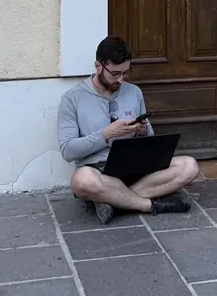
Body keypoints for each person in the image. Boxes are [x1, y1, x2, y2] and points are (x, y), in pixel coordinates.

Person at [57, 36, 199, 224]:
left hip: (136, 168)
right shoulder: (72, 99)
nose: (121, 79)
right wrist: (107, 134)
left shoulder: (134, 92)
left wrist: (143, 132)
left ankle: (112, 201)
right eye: (115, 74)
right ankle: (149, 205)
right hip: (98, 170)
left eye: (125, 72)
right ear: (98, 66)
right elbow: (68, 151)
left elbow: (150, 135)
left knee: (189, 166)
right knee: (82, 181)